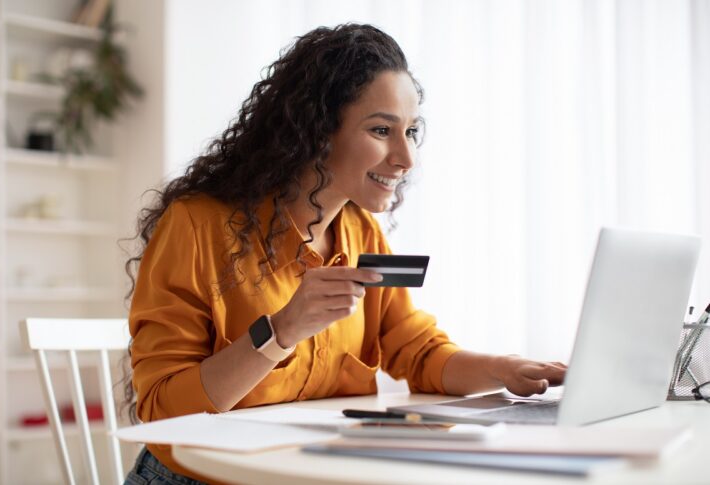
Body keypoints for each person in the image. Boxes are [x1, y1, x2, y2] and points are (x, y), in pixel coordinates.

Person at [123, 23, 566, 484]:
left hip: (307, 472)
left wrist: (505, 369)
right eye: (381, 130)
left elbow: (417, 352)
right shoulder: (196, 225)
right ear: (315, 131)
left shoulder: (360, 231)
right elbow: (162, 412)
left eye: (411, 132)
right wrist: (280, 332)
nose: (406, 158)